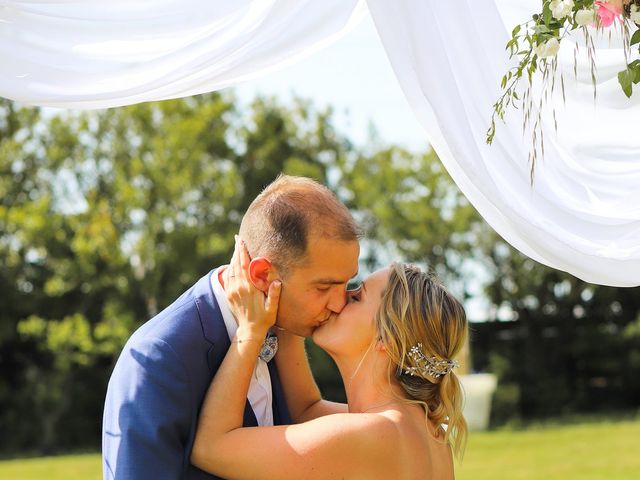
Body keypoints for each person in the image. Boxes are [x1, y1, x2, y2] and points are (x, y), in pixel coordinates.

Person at [102, 175, 361, 479]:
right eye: (324, 287)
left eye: (348, 283)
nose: (339, 303)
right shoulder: (158, 358)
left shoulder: (285, 327)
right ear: (263, 275)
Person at [190, 238, 469, 479]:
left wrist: (250, 331)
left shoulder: (372, 435)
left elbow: (211, 447)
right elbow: (305, 410)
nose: (340, 299)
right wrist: (291, 303)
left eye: (357, 296)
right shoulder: (426, 432)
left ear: (388, 340)